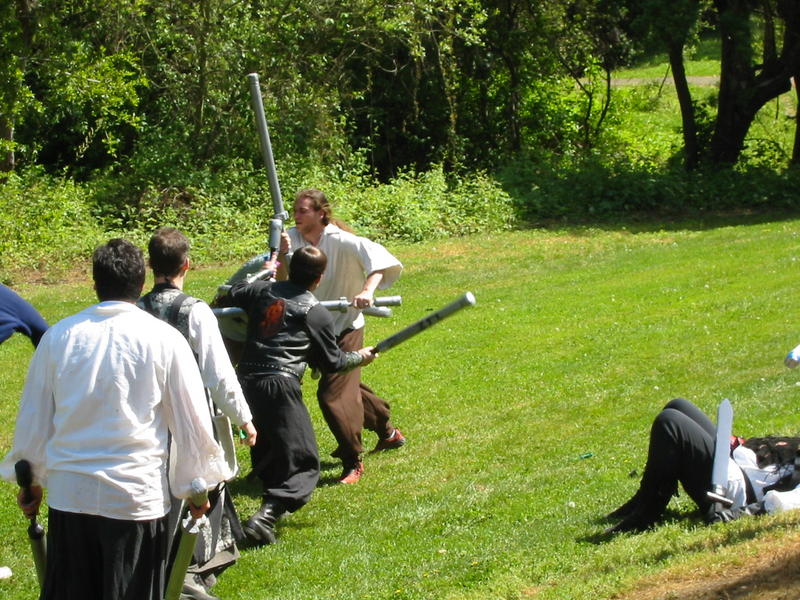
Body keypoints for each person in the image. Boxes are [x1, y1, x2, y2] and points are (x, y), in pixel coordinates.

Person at [0, 238, 232, 600]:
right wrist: (195, 485)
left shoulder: (60, 337)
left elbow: (35, 418)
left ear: (95, 283)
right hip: (134, 497)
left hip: (73, 497)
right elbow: (191, 421)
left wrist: (30, 479)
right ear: (141, 282)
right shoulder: (165, 340)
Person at [222, 245, 377, 545]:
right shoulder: (315, 312)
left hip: (246, 382)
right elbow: (334, 362)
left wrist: (264, 272)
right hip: (279, 385)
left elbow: (235, 290)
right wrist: (359, 357)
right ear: (319, 278)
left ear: (290, 270)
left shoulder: (262, 292)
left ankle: (261, 510)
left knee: (271, 446)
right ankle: (266, 517)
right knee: (305, 462)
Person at [139, 227, 257, 600]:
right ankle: (190, 567)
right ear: (187, 264)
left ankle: (161, 559)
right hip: (192, 414)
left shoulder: (136, 309)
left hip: (148, 416)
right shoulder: (195, 311)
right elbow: (218, 373)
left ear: (150, 264)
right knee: (201, 482)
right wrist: (243, 417)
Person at [281, 188, 405, 484]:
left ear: (321, 213)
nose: (296, 215)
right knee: (348, 387)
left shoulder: (343, 240)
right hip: (311, 326)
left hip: (345, 325)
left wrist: (367, 291)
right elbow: (281, 280)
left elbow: (380, 261)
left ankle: (352, 460)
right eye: (295, 210)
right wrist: (282, 253)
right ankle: (388, 432)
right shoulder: (290, 239)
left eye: (303, 210)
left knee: (332, 394)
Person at [604, 397, 800, 534]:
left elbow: (785, 503)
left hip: (733, 487)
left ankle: (646, 514)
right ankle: (644, 497)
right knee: (678, 405)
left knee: (670, 423)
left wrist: (730, 516)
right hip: (734, 459)